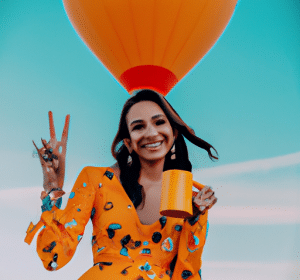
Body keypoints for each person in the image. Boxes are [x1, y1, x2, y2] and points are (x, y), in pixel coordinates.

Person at [25, 89, 218, 280]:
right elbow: (53, 258)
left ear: (174, 133)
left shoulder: (189, 199)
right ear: (128, 142)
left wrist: (195, 220)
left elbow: (187, 275)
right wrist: (53, 190)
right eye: (138, 127)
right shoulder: (96, 180)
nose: (151, 133)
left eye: (159, 122)